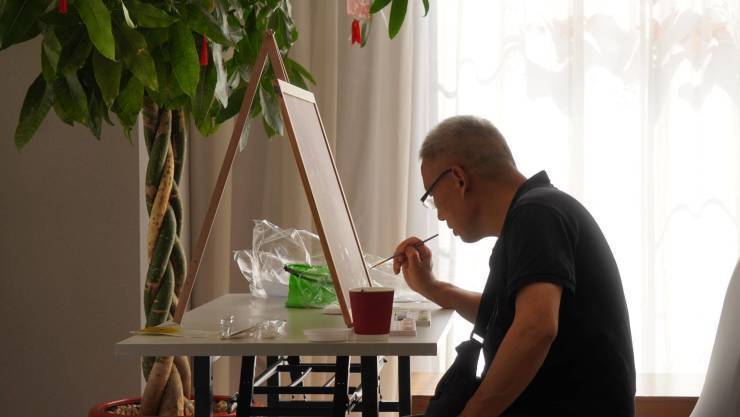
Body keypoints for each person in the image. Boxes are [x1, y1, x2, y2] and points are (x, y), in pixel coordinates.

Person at [393, 116, 636, 417]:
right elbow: (505, 316)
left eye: (432, 197)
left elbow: (536, 327)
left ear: (458, 178)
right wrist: (432, 287)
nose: (439, 214)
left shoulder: (536, 214)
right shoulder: (536, 211)